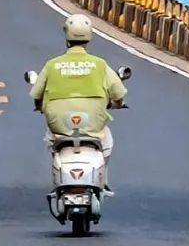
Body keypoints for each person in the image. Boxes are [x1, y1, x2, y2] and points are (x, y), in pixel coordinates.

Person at [30, 13, 127, 190]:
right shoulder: (99, 64)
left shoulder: (52, 65)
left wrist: (39, 107)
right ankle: (102, 178)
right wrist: (118, 104)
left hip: (59, 124)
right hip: (93, 123)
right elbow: (118, 93)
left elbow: (37, 94)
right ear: (89, 36)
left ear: (67, 34)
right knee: (107, 141)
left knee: (51, 140)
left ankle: (59, 176)